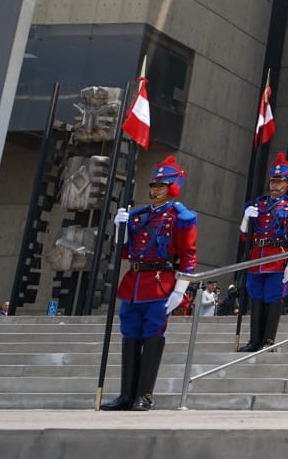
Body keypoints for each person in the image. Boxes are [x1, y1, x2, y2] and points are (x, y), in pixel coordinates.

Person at [101, 156, 197, 411]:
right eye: (154, 186)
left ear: (172, 187)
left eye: (161, 186)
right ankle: (126, 395)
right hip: (133, 283)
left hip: (159, 284)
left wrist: (181, 288)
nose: (155, 190)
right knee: (130, 336)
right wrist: (119, 227)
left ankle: (144, 395)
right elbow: (123, 251)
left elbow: (188, 254)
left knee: (152, 335)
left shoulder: (180, 217)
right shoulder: (137, 216)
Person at [239, 152, 288, 352]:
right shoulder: (257, 204)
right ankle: (254, 340)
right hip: (257, 257)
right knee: (256, 298)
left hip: (278, 259)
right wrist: (246, 218)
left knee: (272, 297)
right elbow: (245, 236)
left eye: (280, 182)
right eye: (272, 181)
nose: (275, 185)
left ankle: (268, 340)